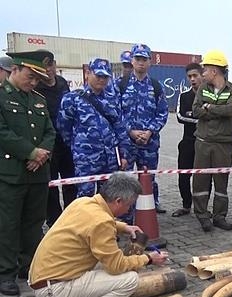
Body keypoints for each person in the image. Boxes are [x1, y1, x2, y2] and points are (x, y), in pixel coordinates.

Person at [28, 172, 168, 297]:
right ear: (118, 201)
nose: (129, 209)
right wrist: (149, 259)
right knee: (129, 279)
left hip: (43, 280)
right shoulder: (101, 223)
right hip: (54, 290)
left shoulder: (84, 202)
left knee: (98, 264)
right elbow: (116, 265)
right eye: (129, 205)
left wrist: (124, 227)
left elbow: (99, 221)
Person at [0, 50, 56, 296]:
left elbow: (50, 132)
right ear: (15, 70)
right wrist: (31, 152)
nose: (33, 83)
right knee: (8, 224)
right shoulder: (2, 97)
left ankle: (28, 266)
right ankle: (6, 273)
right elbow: (2, 133)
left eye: (37, 79)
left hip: (38, 174)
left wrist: (41, 153)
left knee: (33, 223)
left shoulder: (39, 100)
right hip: (11, 173)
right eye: (30, 77)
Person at [58, 59, 130, 197]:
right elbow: (64, 128)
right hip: (86, 160)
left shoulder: (112, 101)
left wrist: (124, 154)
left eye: (105, 77)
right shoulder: (72, 99)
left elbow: (119, 128)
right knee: (86, 197)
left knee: (109, 198)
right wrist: (78, 146)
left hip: (109, 159)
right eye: (98, 75)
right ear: (88, 73)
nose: (102, 80)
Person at [192, 50, 232, 232]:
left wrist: (209, 107)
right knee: (200, 181)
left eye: (205, 69)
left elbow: (230, 110)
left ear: (214, 70)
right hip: (203, 142)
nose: (203, 73)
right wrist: (216, 110)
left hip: (224, 144)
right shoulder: (203, 89)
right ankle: (203, 216)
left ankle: (219, 216)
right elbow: (196, 111)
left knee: (221, 182)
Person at [118, 43, 168, 214]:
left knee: (148, 179)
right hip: (127, 142)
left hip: (149, 143)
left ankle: (149, 211)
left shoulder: (156, 86)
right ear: (132, 61)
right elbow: (115, 113)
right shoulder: (120, 85)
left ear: (149, 62)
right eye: (137, 59)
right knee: (124, 180)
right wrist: (130, 131)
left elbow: (162, 113)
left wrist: (150, 131)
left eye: (144, 59)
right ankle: (125, 214)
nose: (140, 62)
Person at [36, 53, 76, 226]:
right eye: (44, 66)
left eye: (50, 65)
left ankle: (71, 218)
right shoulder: (36, 87)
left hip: (66, 142)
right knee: (51, 186)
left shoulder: (62, 83)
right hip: (48, 145)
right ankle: (55, 221)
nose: (48, 70)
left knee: (71, 183)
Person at [172, 62, 202, 217]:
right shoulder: (184, 96)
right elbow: (180, 116)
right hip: (187, 142)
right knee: (183, 176)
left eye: (195, 75)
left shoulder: (210, 96)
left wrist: (193, 115)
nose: (192, 79)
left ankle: (201, 208)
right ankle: (186, 205)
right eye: (190, 76)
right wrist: (201, 119)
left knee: (203, 177)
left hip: (204, 143)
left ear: (202, 75)